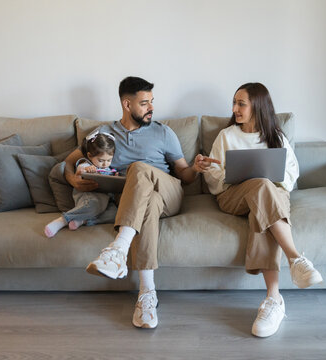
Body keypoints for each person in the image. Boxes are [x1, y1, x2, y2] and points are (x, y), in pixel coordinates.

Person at [64, 76, 216, 329]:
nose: (151, 108)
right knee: (149, 203)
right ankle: (147, 294)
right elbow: (69, 160)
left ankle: (118, 249)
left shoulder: (163, 132)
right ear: (126, 104)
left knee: (139, 169)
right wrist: (73, 180)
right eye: (144, 103)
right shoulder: (103, 134)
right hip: (137, 201)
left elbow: (185, 177)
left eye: (151, 102)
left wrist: (196, 168)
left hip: (170, 192)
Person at [202, 82, 323, 338]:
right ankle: (295, 259)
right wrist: (220, 172)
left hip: (271, 198)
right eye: (234, 103)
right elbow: (213, 177)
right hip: (233, 197)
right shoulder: (227, 136)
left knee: (263, 198)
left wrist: (268, 182)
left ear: (257, 106)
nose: (235, 108)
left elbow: (291, 173)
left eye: (241, 103)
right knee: (260, 187)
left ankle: (273, 299)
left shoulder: (276, 136)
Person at [44, 131, 118, 238]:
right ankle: (63, 220)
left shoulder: (108, 169)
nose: (105, 164)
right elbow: (78, 174)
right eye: (101, 160)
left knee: (115, 214)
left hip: (105, 200)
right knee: (93, 205)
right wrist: (85, 171)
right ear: (90, 156)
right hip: (88, 197)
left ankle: (82, 220)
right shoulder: (85, 164)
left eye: (109, 160)